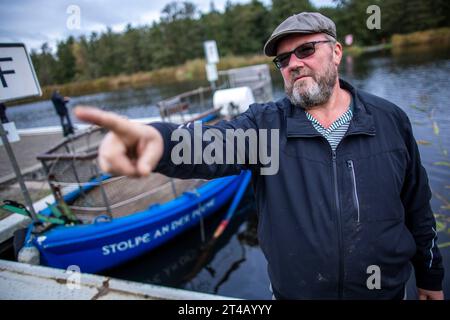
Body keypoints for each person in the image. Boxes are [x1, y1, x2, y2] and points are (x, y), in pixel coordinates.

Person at [74, 12, 444, 300]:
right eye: (283, 60)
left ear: (336, 51)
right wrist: (154, 140)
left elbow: (417, 209)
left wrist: (429, 277)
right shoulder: (265, 129)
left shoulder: (389, 120)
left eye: (305, 50)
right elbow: (207, 146)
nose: (293, 63)